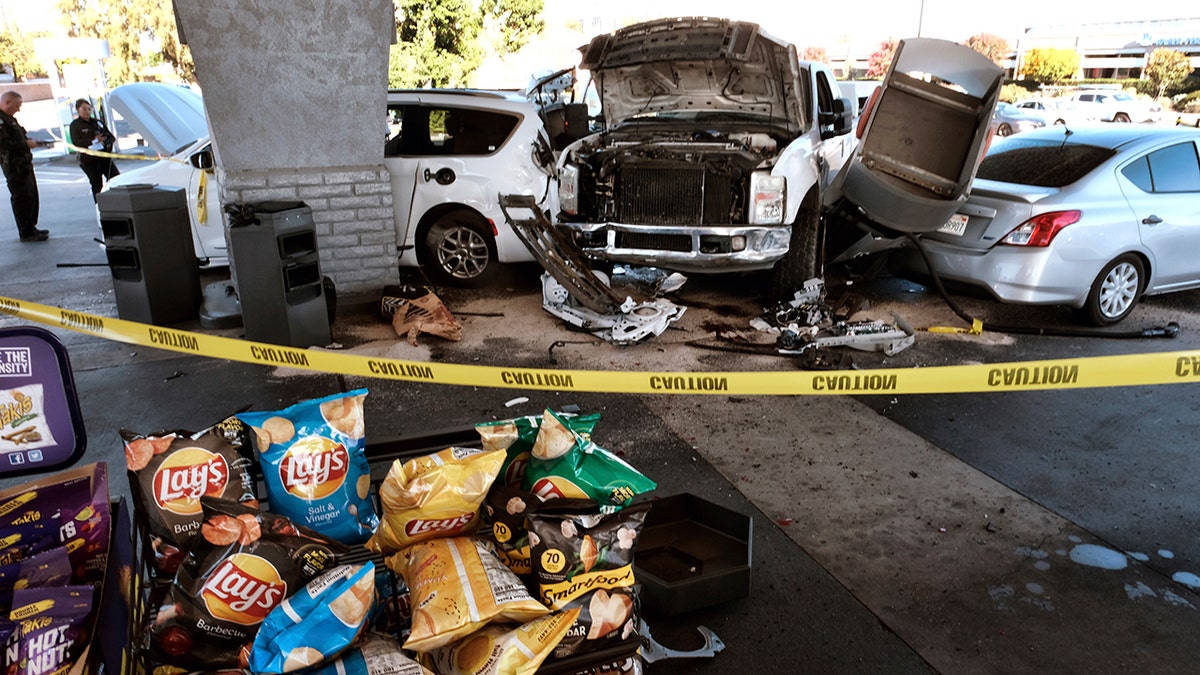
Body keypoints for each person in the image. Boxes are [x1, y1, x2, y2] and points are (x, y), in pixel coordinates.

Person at [0, 90, 47, 242]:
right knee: (22, 197)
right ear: (7, 102)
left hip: (24, 164)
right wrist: (25, 144)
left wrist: (29, 142)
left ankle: (31, 226)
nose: (18, 109)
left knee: (31, 195)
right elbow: (4, 144)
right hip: (14, 166)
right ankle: (26, 231)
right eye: (17, 106)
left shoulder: (9, 119)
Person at [69, 98, 120, 201]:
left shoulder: (97, 122)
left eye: (89, 109)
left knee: (116, 178)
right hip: (89, 160)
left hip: (104, 157)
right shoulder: (75, 125)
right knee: (97, 184)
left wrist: (105, 141)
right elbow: (76, 142)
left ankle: (116, 202)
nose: (87, 111)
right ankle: (100, 207)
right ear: (78, 110)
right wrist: (93, 140)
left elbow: (111, 137)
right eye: (84, 109)